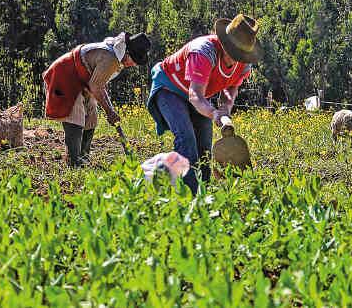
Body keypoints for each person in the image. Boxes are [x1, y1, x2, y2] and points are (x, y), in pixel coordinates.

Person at [146, 14, 262, 194]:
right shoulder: (203, 52)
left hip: (198, 94)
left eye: (239, 54)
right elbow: (195, 96)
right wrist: (213, 113)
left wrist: (226, 107)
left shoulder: (244, 63)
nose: (235, 58)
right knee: (186, 139)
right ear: (224, 43)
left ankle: (204, 194)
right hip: (170, 87)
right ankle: (188, 197)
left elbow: (232, 88)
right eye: (232, 52)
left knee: (205, 147)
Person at [43, 32, 151, 167]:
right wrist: (109, 111)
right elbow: (96, 86)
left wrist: (110, 110)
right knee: (75, 116)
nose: (133, 64)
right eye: (134, 59)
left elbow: (99, 85)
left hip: (82, 81)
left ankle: (84, 157)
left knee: (92, 115)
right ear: (126, 52)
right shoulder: (110, 58)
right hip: (66, 75)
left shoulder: (115, 58)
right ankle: (74, 161)